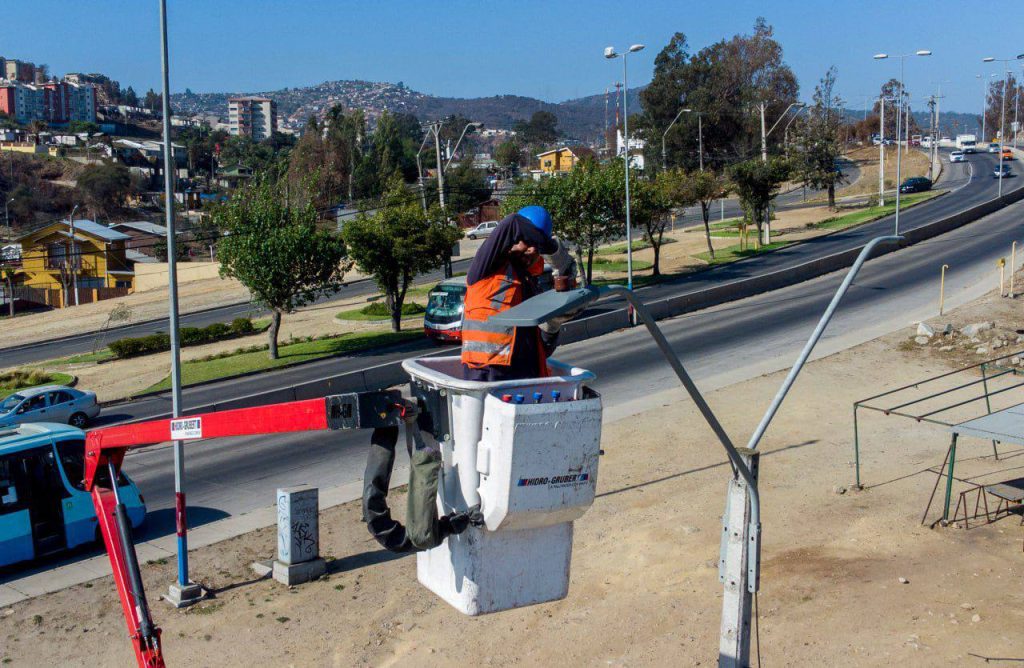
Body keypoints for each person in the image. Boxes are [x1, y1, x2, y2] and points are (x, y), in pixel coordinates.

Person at [461, 205, 575, 382]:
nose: (531, 250)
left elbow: (538, 348)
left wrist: (551, 328)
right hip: (488, 373)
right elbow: (512, 222)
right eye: (528, 241)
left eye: (536, 249)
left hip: (524, 374)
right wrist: (551, 248)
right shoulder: (485, 268)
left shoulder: (528, 283)